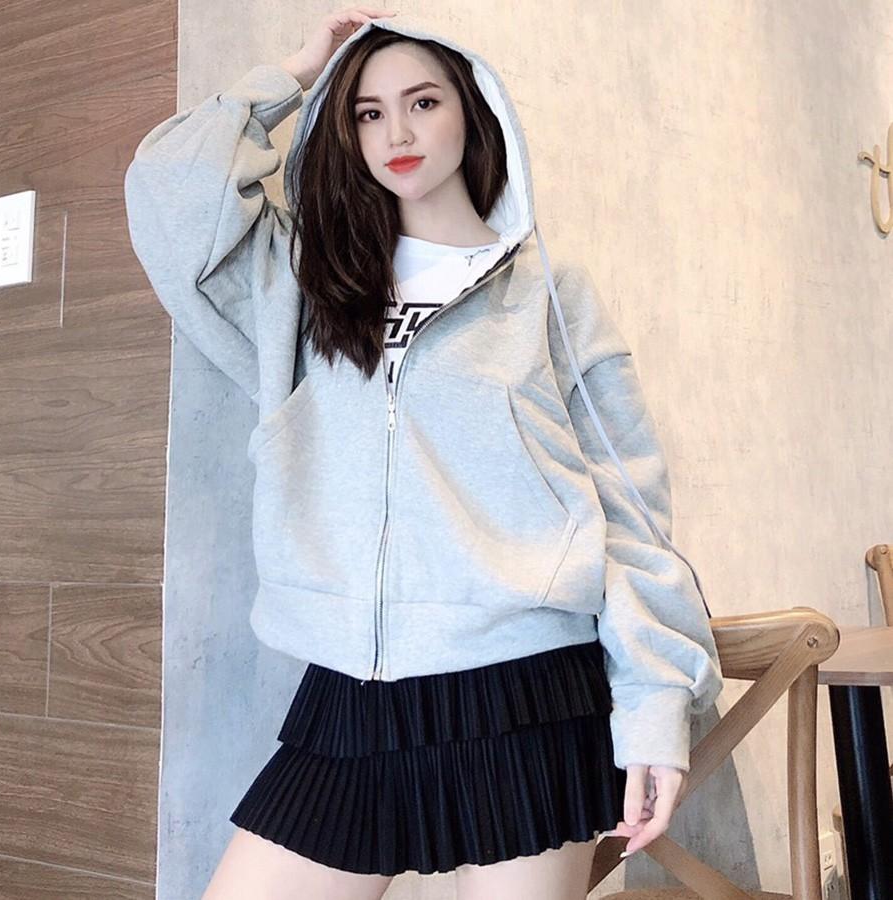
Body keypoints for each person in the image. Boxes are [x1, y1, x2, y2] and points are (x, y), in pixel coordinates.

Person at [124, 8, 724, 899]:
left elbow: (631, 516)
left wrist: (655, 710)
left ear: (473, 112)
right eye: (368, 112)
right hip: (349, 700)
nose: (396, 133)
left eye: (422, 101)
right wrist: (296, 74)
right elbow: (166, 193)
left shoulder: (550, 299)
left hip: (524, 695)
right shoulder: (309, 286)